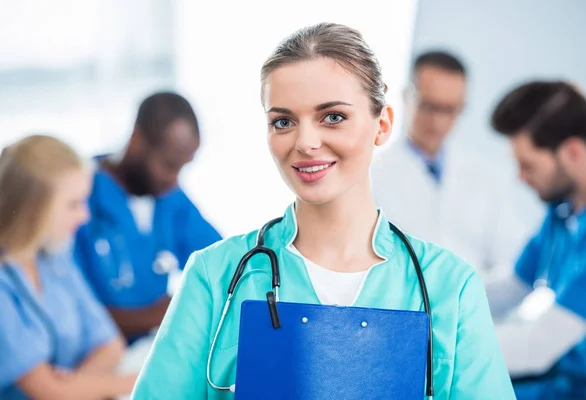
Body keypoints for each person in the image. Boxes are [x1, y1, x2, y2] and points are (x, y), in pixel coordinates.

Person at [131, 22, 515, 399]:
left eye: (333, 117)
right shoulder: (215, 277)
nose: (306, 142)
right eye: (283, 122)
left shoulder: (450, 286)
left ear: (382, 125)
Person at [370, 51, 539, 281]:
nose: (438, 121)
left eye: (450, 110)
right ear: (406, 97)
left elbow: (513, 261)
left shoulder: (486, 176)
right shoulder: (372, 175)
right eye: (429, 106)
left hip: (473, 308)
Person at [74, 92, 223, 343]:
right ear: (137, 140)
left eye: (182, 166)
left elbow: (224, 265)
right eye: (168, 165)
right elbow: (69, 314)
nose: (175, 179)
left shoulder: (170, 199)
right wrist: (165, 312)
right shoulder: (78, 196)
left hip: (151, 348)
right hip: (96, 359)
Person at [0, 135, 136, 400]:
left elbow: (111, 345)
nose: (85, 216)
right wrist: (138, 378)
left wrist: (73, 387)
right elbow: (46, 391)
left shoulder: (54, 257)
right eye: (73, 204)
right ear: (33, 209)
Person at [487, 81, 586, 399]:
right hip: (562, 384)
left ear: (573, 152)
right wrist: (434, 295)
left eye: (528, 165)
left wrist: (436, 347)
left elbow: (537, 347)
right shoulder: (564, 211)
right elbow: (512, 287)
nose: (520, 177)